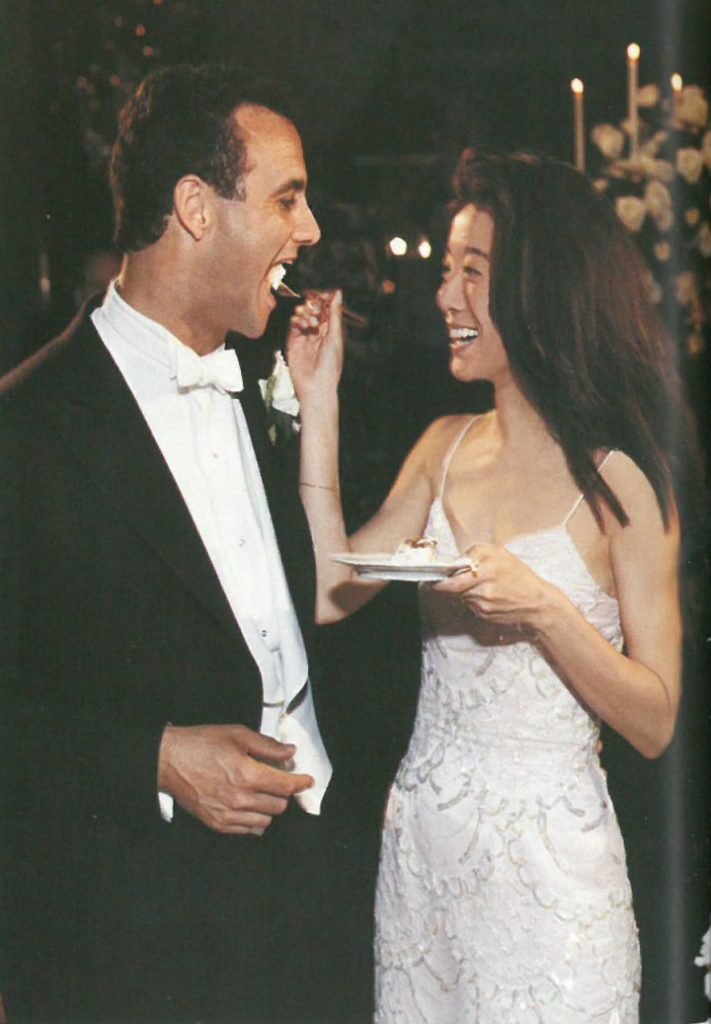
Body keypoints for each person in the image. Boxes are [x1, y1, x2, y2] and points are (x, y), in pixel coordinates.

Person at [287, 150, 705, 1022]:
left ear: (539, 288)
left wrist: (545, 611)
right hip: (422, 856)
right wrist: (318, 401)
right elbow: (331, 589)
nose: (444, 296)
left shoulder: (620, 479)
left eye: (471, 272)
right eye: (447, 271)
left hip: (553, 882)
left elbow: (656, 721)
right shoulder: (441, 448)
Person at [0, 63, 371, 1024]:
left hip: (315, 920)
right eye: (286, 199)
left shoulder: (274, 387)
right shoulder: (26, 429)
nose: (310, 229)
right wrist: (154, 758)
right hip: (136, 949)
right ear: (197, 208)